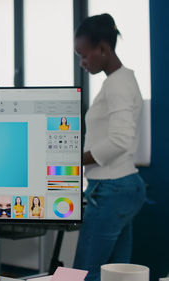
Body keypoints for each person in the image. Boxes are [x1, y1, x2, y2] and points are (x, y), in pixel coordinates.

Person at [72, 14, 146, 281]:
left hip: (111, 190)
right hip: (121, 187)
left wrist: (74, 159)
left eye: (84, 55)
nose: (81, 63)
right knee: (117, 273)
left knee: (82, 273)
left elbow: (120, 140)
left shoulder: (118, 85)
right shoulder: (121, 80)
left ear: (102, 48)